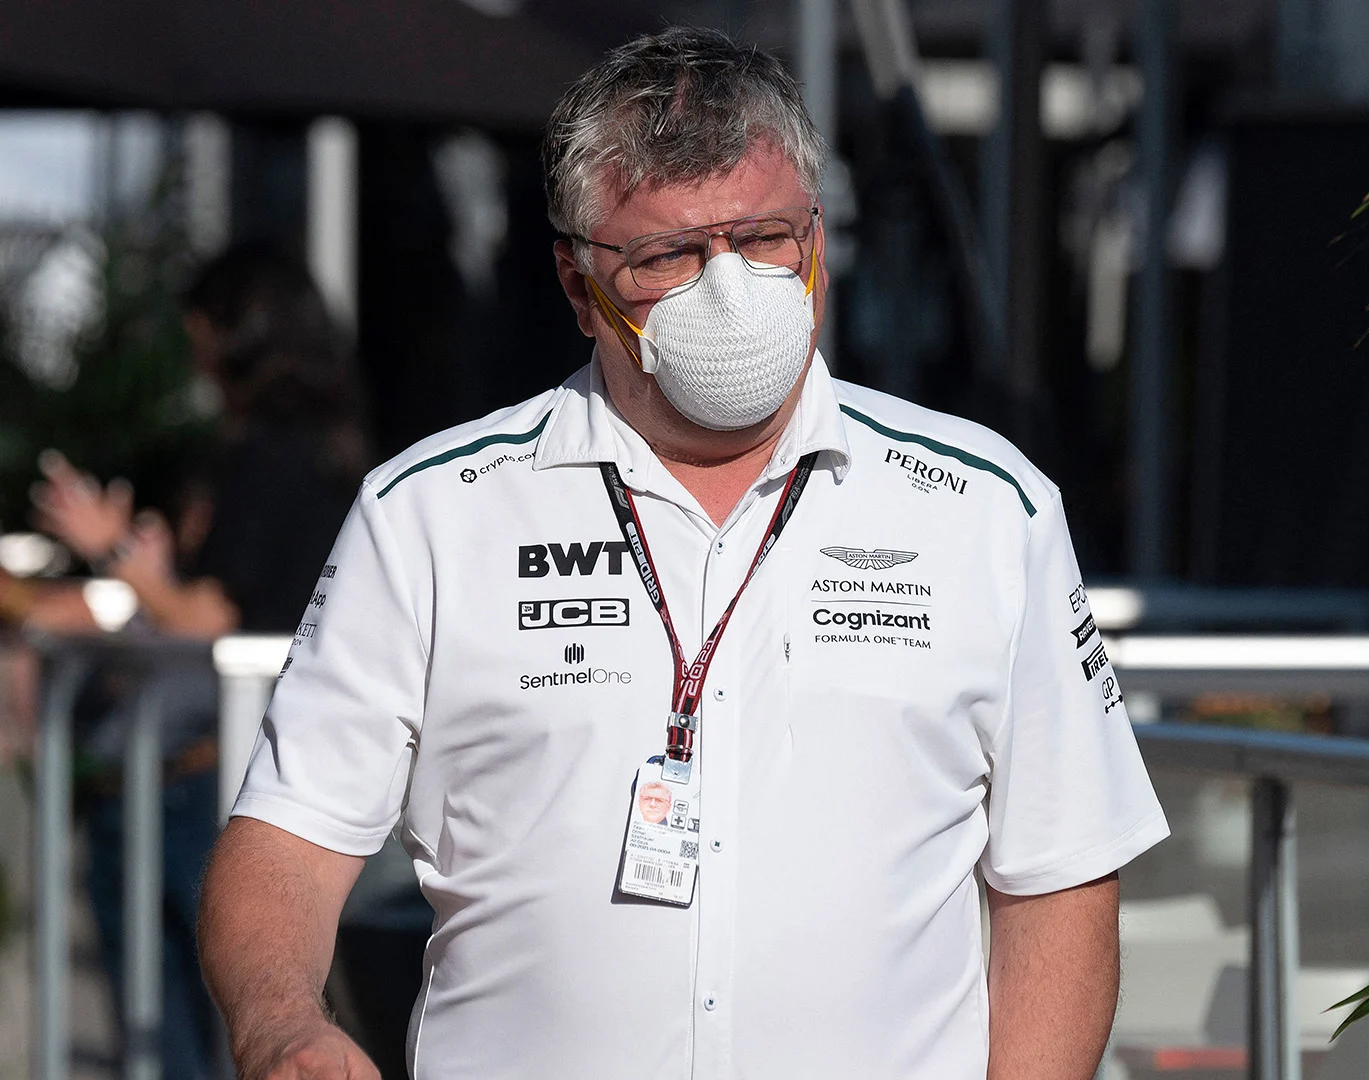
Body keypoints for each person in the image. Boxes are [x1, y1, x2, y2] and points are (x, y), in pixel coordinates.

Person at [198, 27, 1167, 1080]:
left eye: (762, 240)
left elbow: (1061, 878)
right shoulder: (430, 515)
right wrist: (281, 1022)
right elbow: (287, 839)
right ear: (578, 287)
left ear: (820, 246)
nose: (730, 289)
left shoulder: (988, 509)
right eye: (667, 255)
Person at [7, 245, 367, 1080]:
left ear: (235, 334)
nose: (195, 354)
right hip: (229, 763)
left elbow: (212, 613)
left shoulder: (271, 455)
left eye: (200, 331)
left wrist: (121, 561)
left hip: (197, 772)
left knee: (187, 1027)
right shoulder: (329, 450)